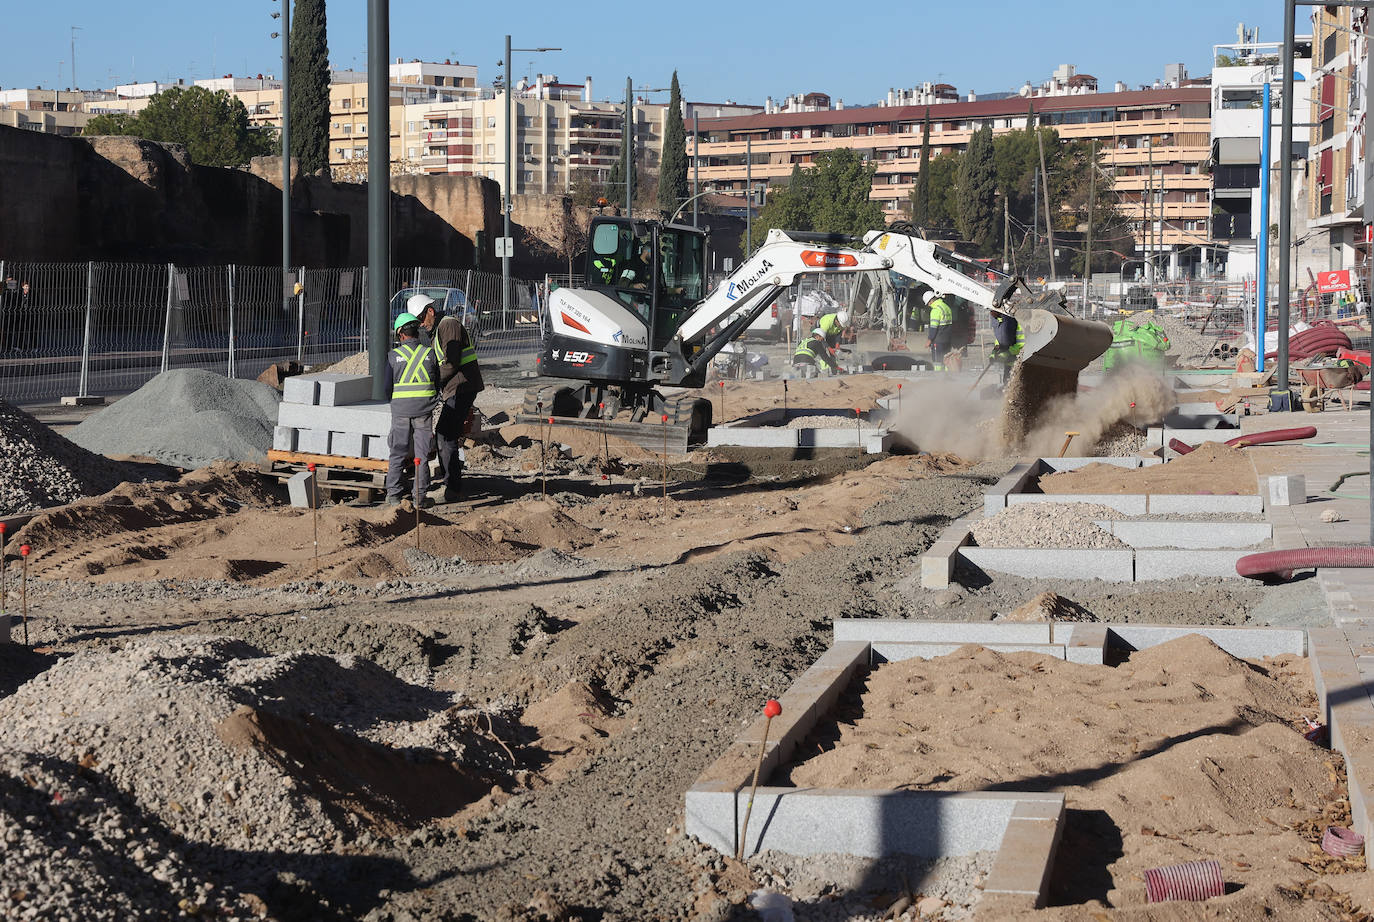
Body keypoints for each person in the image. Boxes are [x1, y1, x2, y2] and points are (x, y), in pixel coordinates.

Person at [409, 293, 484, 503]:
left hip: (462, 386)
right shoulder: (438, 329)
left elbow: (451, 363)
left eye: (422, 319)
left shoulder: (448, 325)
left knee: (445, 435)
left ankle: (453, 488)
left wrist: (431, 384)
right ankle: (451, 483)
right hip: (458, 387)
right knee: (445, 434)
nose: (421, 325)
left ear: (430, 311)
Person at [382, 312, 439, 507]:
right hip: (424, 410)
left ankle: (394, 496)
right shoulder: (429, 354)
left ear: (401, 335)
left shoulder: (392, 356)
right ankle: (420, 498)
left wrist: (397, 402)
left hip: (400, 412)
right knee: (422, 455)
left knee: (397, 452)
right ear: (416, 332)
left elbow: (386, 387)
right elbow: (436, 382)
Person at [990, 314, 1023, 384]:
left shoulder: (1015, 322)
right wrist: (993, 355)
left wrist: (1008, 353)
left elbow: (1022, 345)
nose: (991, 313)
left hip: (1020, 365)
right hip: (1008, 365)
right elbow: (998, 343)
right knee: (1006, 383)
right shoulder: (1000, 323)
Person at [924, 291, 953, 371]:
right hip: (948, 339)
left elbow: (933, 327)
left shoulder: (935, 310)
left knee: (938, 360)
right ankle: (947, 378)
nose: (929, 306)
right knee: (946, 360)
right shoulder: (946, 307)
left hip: (938, 340)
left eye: (928, 304)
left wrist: (929, 340)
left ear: (930, 301)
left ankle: (938, 378)